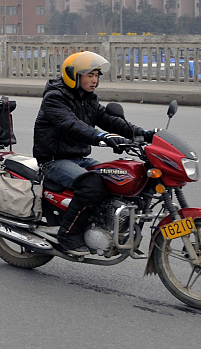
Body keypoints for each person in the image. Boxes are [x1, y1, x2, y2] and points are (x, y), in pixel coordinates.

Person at [32, 51, 151, 255]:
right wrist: (102, 137)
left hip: (79, 158)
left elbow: (110, 120)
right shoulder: (54, 99)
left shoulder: (88, 99)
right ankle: (68, 235)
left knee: (117, 177)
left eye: (96, 75)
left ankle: (108, 228)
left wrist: (143, 133)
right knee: (92, 184)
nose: (94, 80)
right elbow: (72, 125)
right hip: (54, 160)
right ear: (73, 75)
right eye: (90, 75)